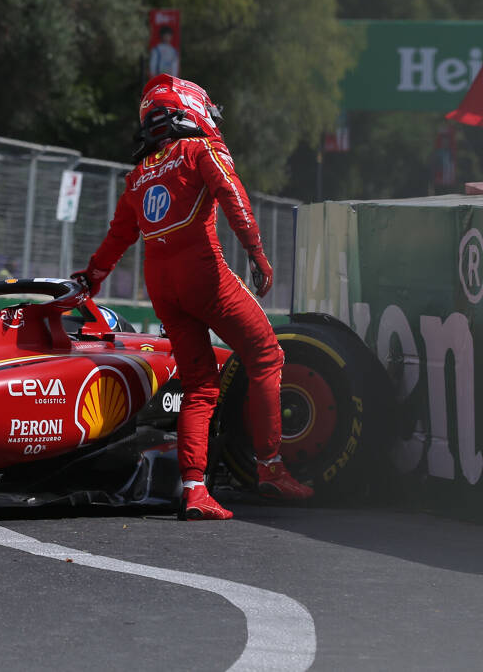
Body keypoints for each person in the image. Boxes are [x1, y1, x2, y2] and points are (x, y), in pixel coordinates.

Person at [73, 76, 312, 520]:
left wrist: (91, 279)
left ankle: (195, 488)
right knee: (266, 357)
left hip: (160, 285)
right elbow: (233, 196)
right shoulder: (201, 150)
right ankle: (271, 469)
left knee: (200, 385)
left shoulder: (137, 176)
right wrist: (257, 253)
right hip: (206, 275)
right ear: (188, 109)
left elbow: (116, 239)